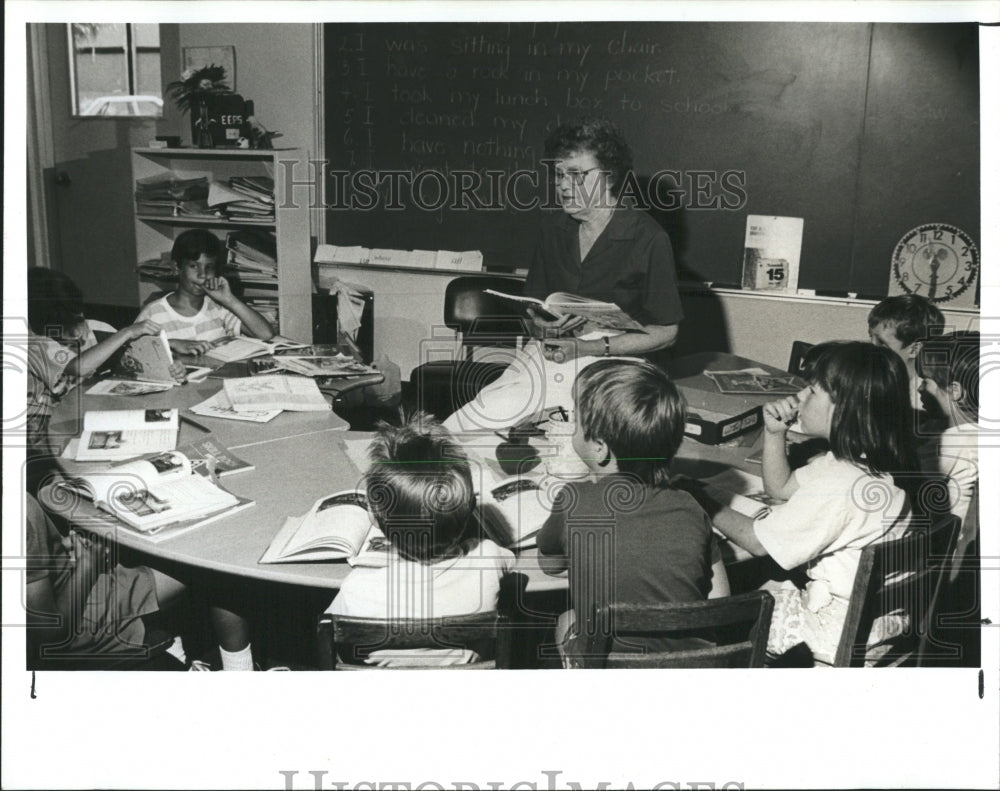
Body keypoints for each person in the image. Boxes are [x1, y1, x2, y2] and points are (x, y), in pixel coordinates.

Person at [693, 342, 917, 666]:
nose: (800, 398)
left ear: (842, 408)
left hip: (840, 634)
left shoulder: (840, 484)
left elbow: (757, 543)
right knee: (764, 581)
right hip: (882, 622)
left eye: (811, 391)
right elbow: (780, 487)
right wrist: (775, 433)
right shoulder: (857, 466)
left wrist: (701, 499)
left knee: (721, 604)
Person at [535, 359, 725, 666]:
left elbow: (550, 566)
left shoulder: (573, 500)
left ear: (599, 447)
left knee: (564, 621)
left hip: (612, 668)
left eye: (576, 422)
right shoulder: (691, 505)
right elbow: (718, 602)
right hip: (691, 667)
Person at [326, 415, 515, 666]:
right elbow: (509, 560)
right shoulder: (489, 558)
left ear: (373, 515)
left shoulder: (356, 588)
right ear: (470, 508)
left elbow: (337, 636)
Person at [526, 117, 683, 365]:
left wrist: (588, 348)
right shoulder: (552, 231)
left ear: (609, 177)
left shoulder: (649, 238)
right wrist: (541, 328)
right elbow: (532, 314)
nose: (564, 185)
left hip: (616, 360)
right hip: (554, 352)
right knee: (491, 403)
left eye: (576, 175)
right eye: (558, 174)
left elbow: (667, 333)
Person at [25, 268, 184, 487]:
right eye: (67, 324)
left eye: (78, 318)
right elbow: (78, 367)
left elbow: (137, 362)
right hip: (40, 434)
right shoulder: (34, 345)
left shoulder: (94, 328)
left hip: (84, 416)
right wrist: (126, 332)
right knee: (100, 473)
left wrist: (170, 364)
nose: (79, 333)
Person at [136, 229, 275, 357]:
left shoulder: (218, 308)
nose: (202, 275)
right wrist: (170, 343)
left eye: (209, 267)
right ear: (176, 267)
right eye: (193, 266)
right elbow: (133, 352)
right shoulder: (154, 313)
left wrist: (229, 299)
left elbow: (265, 334)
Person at [915, 331, 979, 524]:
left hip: (945, 542)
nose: (920, 389)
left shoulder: (954, 441)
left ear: (954, 391)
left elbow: (907, 469)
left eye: (925, 381)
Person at [867, 294, 945, 410]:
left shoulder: (923, 402)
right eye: (870, 337)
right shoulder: (863, 383)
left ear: (914, 349)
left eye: (882, 343)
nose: (869, 348)